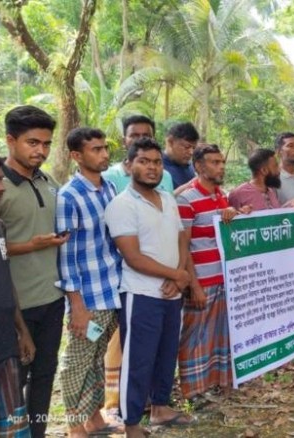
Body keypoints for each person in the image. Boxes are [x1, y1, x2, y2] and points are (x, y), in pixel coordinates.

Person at [104, 138, 194, 438]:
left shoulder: (167, 198)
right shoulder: (121, 205)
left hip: (172, 291)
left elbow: (181, 238)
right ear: (129, 165)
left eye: (156, 162)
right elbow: (133, 257)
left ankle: (160, 407)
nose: (152, 167)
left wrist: (179, 274)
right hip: (141, 294)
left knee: (167, 352)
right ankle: (131, 423)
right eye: (144, 161)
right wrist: (176, 275)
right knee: (138, 358)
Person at [0, 106, 67, 438]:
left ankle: (37, 433)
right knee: (12, 385)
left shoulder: (49, 180)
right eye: (32, 142)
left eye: (46, 143)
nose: (40, 150)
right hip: (16, 306)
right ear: (10, 140)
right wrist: (31, 245)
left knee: (44, 377)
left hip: (52, 298)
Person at [55, 128, 123, 437]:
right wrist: (77, 304)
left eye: (105, 148)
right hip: (89, 297)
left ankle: (94, 417)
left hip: (111, 289)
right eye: (96, 149)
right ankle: (73, 426)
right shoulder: (69, 196)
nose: (105, 154)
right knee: (77, 362)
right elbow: (66, 255)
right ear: (76, 156)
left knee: (97, 358)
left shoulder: (108, 188)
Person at [176, 144, 243, 404]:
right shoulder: (187, 199)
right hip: (202, 280)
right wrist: (194, 285)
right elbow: (184, 246)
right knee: (195, 338)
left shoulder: (222, 197)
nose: (221, 167)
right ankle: (192, 392)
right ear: (199, 167)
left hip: (223, 280)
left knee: (219, 336)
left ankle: (216, 384)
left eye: (222, 162)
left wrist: (235, 214)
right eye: (214, 162)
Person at [0, 155, 36, 438]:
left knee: (10, 420)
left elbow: (6, 281)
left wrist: (22, 330)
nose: (1, 187)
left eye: (0, 179)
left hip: (5, 340)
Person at [101, 115, 174, 194]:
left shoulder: (165, 177)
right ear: (124, 141)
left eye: (146, 136)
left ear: (154, 140)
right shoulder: (107, 177)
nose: (141, 139)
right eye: (134, 136)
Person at [229, 148, 294, 211]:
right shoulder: (238, 194)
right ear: (264, 170)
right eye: (275, 166)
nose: (279, 170)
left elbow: (275, 214)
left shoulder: (271, 191)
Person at [162, 122, 199, 189]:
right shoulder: (158, 167)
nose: (191, 152)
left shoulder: (190, 166)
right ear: (170, 142)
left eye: (193, 148)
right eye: (186, 147)